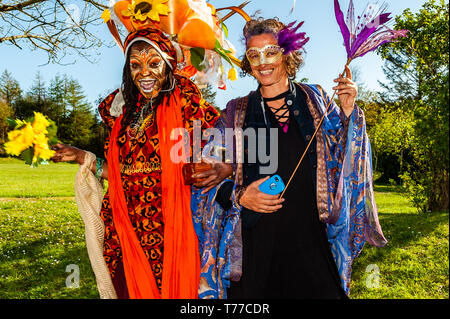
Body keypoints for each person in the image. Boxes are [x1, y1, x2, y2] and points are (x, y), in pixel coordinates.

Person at [197, 17, 387, 299]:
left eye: (271, 51)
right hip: (255, 246)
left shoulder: (317, 100)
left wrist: (348, 112)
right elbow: (206, 180)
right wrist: (240, 196)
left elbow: (343, 159)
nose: (262, 62)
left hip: (310, 240)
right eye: (253, 54)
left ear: (287, 54)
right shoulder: (233, 113)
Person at [51, 27, 234, 299]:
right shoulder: (121, 118)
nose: (144, 73)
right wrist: (81, 157)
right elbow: (118, 174)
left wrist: (224, 165)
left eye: (154, 63)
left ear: (169, 65)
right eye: (135, 65)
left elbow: (228, 142)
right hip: (128, 231)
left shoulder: (185, 102)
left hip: (173, 230)